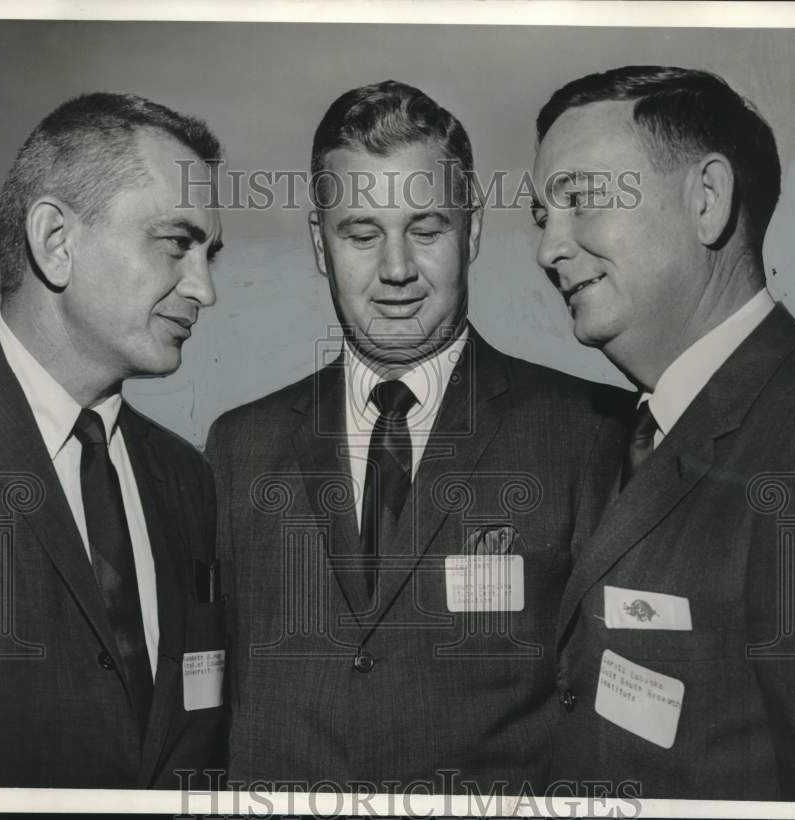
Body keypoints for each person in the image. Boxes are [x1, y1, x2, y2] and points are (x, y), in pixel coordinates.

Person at [205, 80, 628, 794]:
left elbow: (607, 720)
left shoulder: (591, 435)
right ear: (320, 244)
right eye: (361, 234)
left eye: (426, 230)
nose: (396, 270)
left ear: (475, 230)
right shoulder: (237, 446)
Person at [532, 65, 795, 801]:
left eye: (580, 199)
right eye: (540, 216)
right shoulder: (629, 433)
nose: (548, 249)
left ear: (706, 200)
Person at [0, 92, 227, 788]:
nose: (204, 289)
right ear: (56, 240)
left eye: (210, 254)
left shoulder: (186, 477)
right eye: (177, 243)